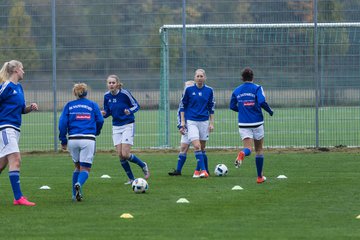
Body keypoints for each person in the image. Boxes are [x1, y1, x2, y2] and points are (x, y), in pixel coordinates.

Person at [0, 60, 38, 206]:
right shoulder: (6, 86)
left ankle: (18, 198)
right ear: (15, 70)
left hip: (15, 129)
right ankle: (18, 198)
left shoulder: (19, 88)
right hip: (5, 128)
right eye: (22, 68)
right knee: (16, 160)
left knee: (2, 164)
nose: (24, 71)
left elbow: (22, 109)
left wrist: (30, 107)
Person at [59, 83, 104, 201]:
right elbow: (100, 120)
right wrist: (97, 131)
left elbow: (62, 124)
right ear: (86, 92)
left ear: (75, 93)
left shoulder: (69, 105)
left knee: (77, 167)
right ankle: (78, 183)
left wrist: (63, 140)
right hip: (88, 139)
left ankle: (75, 195)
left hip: (73, 139)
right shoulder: (93, 105)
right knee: (85, 169)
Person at [102, 75, 149, 185]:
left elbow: (136, 105)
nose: (111, 85)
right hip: (116, 126)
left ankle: (143, 165)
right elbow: (108, 111)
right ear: (107, 84)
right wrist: (103, 114)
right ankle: (131, 179)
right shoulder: (106, 96)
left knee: (125, 154)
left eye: (113, 82)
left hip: (128, 125)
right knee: (120, 155)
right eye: (109, 83)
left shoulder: (125, 93)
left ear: (118, 84)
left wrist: (129, 111)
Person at [229, 67, 273, 184]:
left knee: (248, 148)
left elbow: (232, 106)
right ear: (253, 77)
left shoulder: (237, 90)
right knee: (259, 150)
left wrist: (243, 110)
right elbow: (262, 101)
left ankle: (243, 153)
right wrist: (269, 111)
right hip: (257, 122)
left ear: (242, 78)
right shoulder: (258, 88)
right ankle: (259, 177)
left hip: (243, 123)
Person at [179, 69, 215, 178]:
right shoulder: (189, 90)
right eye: (197, 76)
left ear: (205, 78)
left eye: (201, 76)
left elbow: (211, 108)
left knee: (202, 148)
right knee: (197, 145)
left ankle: (197, 170)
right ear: (195, 78)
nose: (199, 78)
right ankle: (204, 171)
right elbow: (182, 106)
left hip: (204, 121)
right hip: (191, 121)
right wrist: (183, 122)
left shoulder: (209, 90)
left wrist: (211, 123)